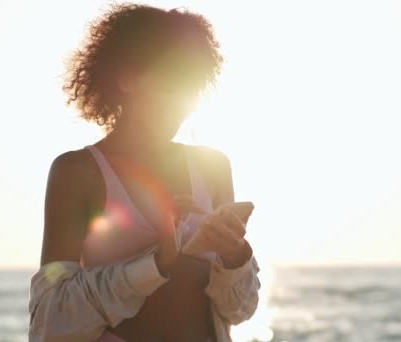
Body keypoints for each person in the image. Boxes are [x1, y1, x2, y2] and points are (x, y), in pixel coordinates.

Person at [28, 3, 261, 341]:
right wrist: (159, 262)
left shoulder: (213, 166)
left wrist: (235, 257)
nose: (184, 101)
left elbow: (238, 311)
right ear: (127, 79)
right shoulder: (78, 171)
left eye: (191, 87)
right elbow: (52, 319)